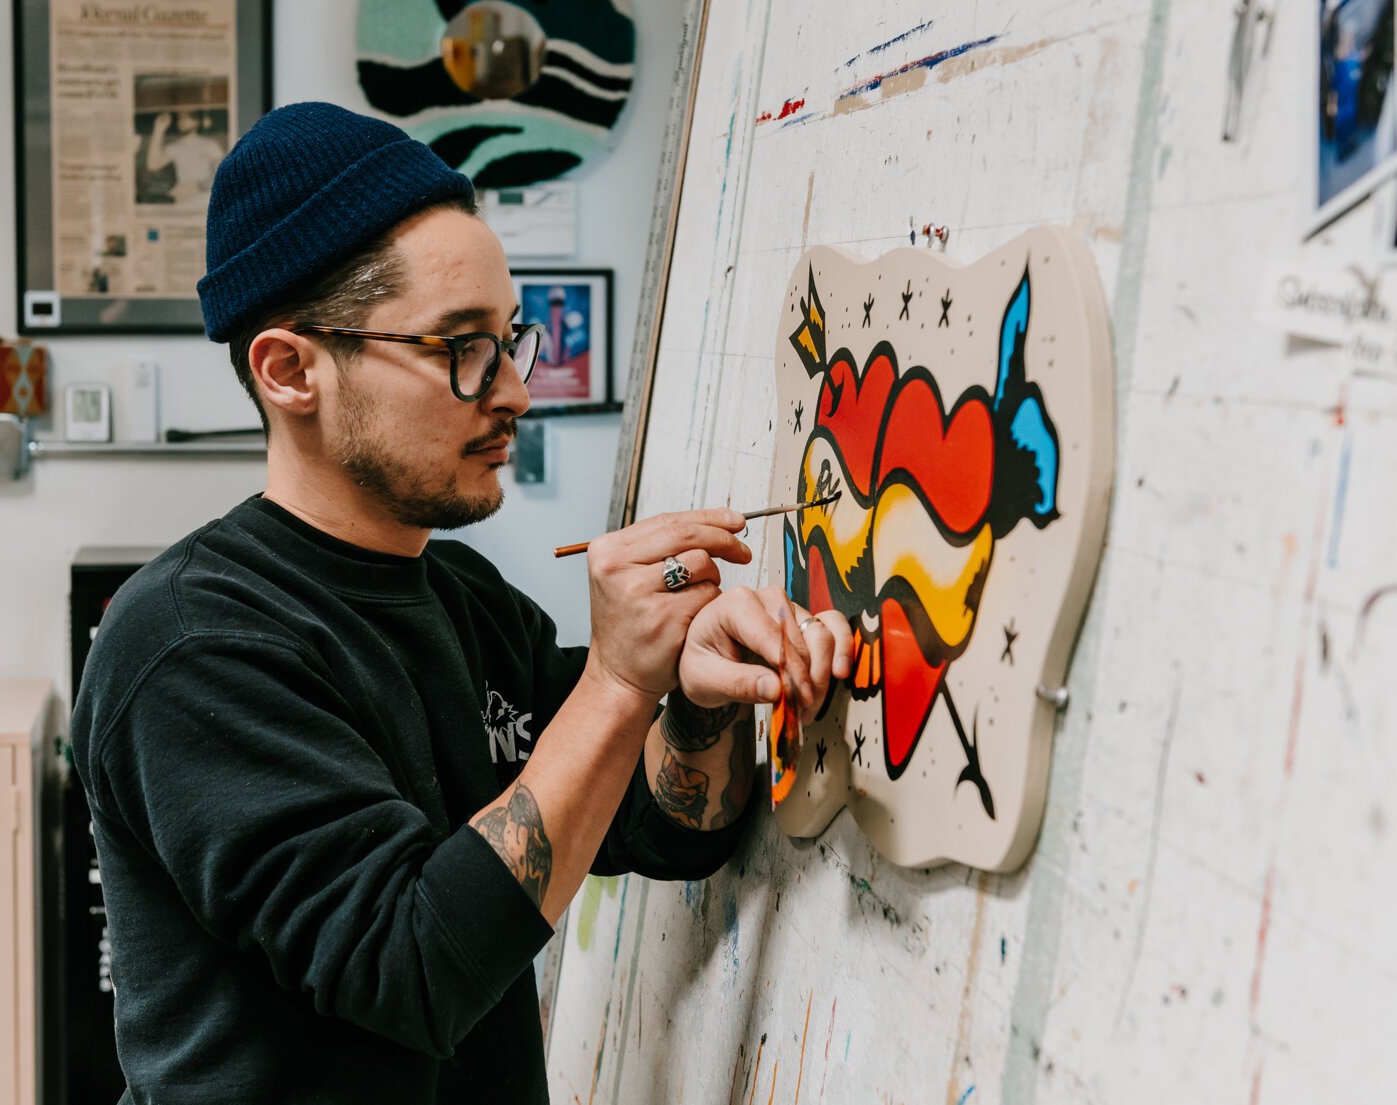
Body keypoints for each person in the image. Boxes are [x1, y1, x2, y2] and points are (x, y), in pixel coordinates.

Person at [72, 101, 851, 1105]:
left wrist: (695, 692)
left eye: (509, 339)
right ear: (290, 369)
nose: (516, 392)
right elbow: (413, 968)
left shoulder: (459, 594)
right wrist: (617, 683)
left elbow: (663, 828)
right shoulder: (189, 647)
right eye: (459, 348)